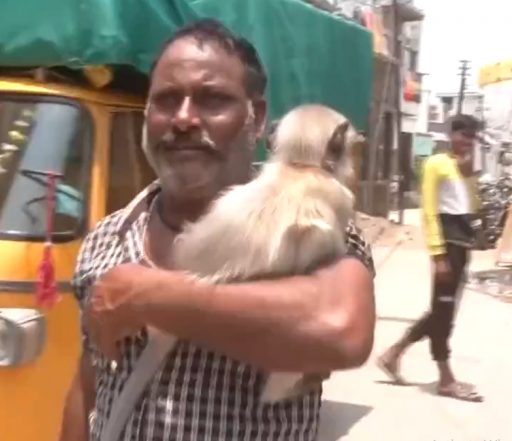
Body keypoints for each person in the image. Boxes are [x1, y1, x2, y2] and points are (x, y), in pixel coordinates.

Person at [59, 19, 376, 441]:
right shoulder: (105, 239)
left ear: (256, 117)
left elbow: (340, 328)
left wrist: (146, 295)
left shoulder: (312, 222)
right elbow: (87, 387)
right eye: (166, 101)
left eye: (212, 100)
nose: (184, 118)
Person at [377, 114, 483, 402]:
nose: (468, 141)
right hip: (447, 245)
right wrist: (438, 255)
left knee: (442, 311)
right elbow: (429, 212)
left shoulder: (466, 168)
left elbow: (471, 206)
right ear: (452, 134)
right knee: (443, 312)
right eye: (464, 135)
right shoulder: (436, 164)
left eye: (472, 136)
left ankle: (393, 354)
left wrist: (472, 167)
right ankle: (445, 378)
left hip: (462, 246)